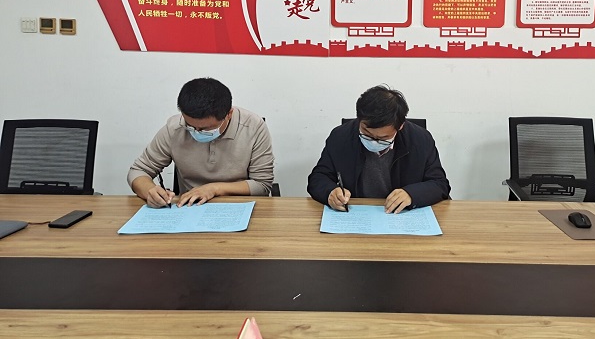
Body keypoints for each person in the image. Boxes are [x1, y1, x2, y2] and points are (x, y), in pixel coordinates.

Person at [128, 77, 275, 207]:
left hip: (239, 206)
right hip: (189, 207)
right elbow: (139, 171)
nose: (196, 132)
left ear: (229, 114)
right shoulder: (175, 128)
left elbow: (261, 185)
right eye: (190, 126)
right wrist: (150, 191)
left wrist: (213, 189)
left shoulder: (253, 127)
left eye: (206, 129)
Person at [307, 85, 450, 214]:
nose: (374, 141)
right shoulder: (340, 137)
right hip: (357, 213)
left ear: (400, 126)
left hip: (400, 215)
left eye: (383, 138)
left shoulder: (420, 140)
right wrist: (330, 192)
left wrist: (411, 194)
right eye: (367, 134)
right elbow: (318, 177)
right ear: (359, 119)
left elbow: (440, 184)